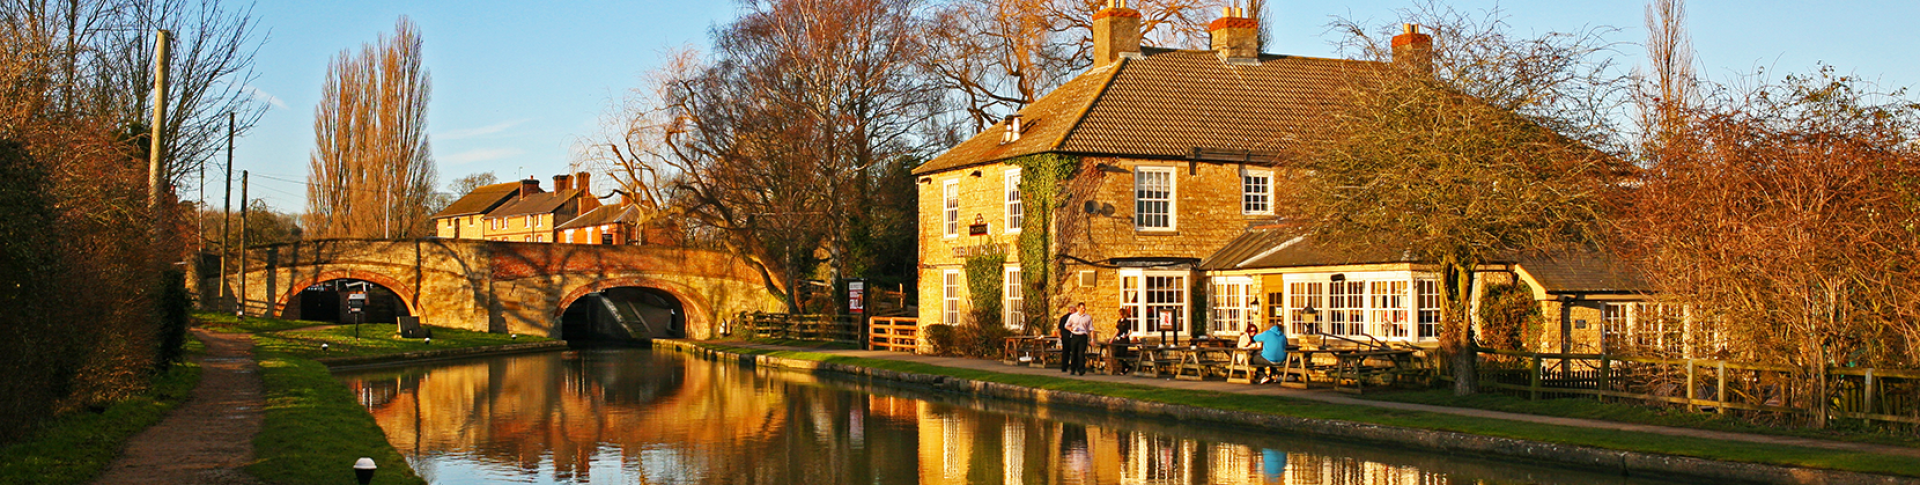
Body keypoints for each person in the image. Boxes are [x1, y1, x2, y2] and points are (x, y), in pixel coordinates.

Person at [1063, 303, 1094, 375]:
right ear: (1078, 308)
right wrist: (1070, 328)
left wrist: (1092, 339)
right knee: (1074, 353)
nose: (1083, 310)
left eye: (1084, 308)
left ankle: (1081, 369)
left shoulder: (1088, 317)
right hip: (1075, 335)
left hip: (1083, 336)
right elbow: (1066, 325)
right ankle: (1073, 369)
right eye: (1082, 308)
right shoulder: (1072, 316)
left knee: (1081, 353)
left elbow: (1091, 329)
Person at [1106, 308, 1135, 375]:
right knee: (1117, 354)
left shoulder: (1127, 322)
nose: (1119, 315)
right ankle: (1127, 366)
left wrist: (1126, 335)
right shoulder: (1119, 321)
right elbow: (1117, 330)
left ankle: (1123, 370)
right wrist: (1112, 338)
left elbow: (1130, 331)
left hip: (1124, 340)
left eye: (1121, 314)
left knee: (1122, 354)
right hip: (1119, 339)